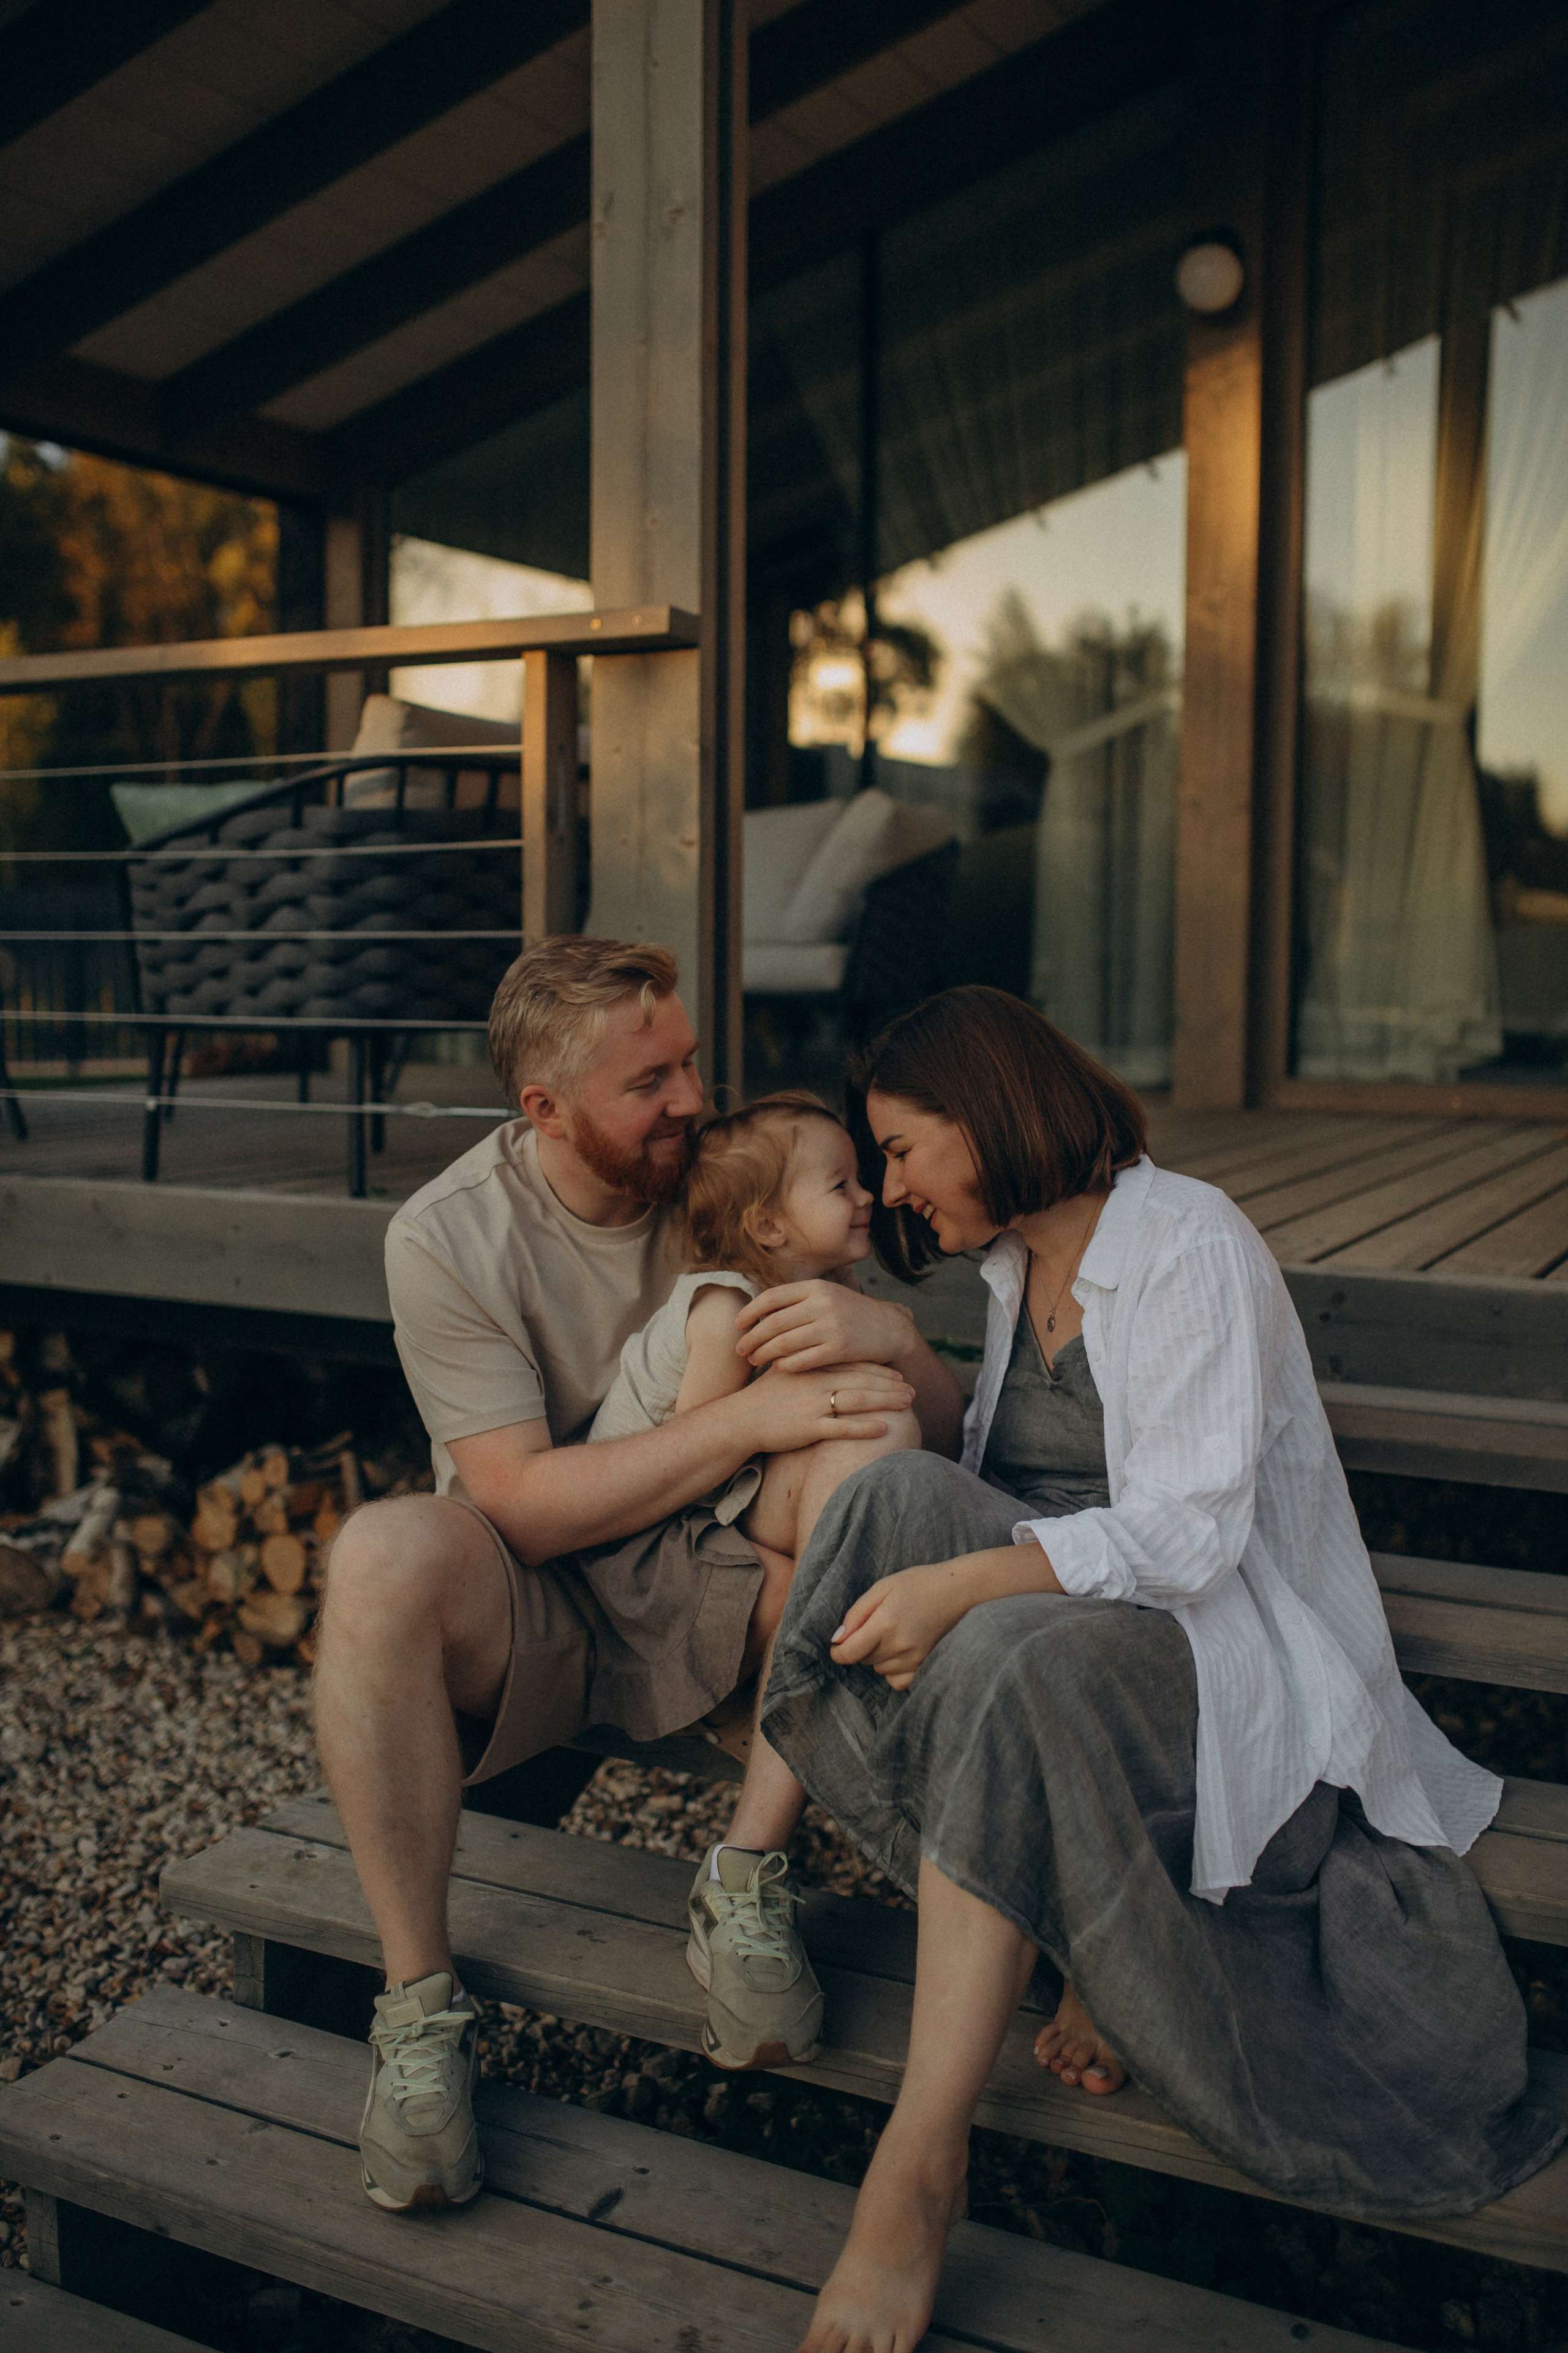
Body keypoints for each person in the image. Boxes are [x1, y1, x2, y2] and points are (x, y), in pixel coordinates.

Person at [757, 985, 1566, 2353]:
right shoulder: (1018, 1264)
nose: (889, 1188)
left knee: (1003, 1642)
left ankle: (919, 2159)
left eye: (900, 1148)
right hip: (1099, 1636)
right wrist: (902, 1373)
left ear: (990, 1116)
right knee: (885, 1504)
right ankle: (1058, 1911)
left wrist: (965, 1582)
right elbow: (999, 1486)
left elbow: (1189, 1538)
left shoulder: (1187, 1241)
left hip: (1224, 1640)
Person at [313, 935, 961, 2215]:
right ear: (541, 1108)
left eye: (687, 1062)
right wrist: (743, 1424)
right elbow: (520, 1506)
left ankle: (746, 1880)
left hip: (729, 1579)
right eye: (646, 1082)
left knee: (871, 1431)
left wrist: (893, 1337)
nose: (687, 1100)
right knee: (379, 1553)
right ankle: (420, 2012)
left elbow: (938, 1431)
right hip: (534, 1592)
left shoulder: (729, 1177)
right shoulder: (446, 1236)